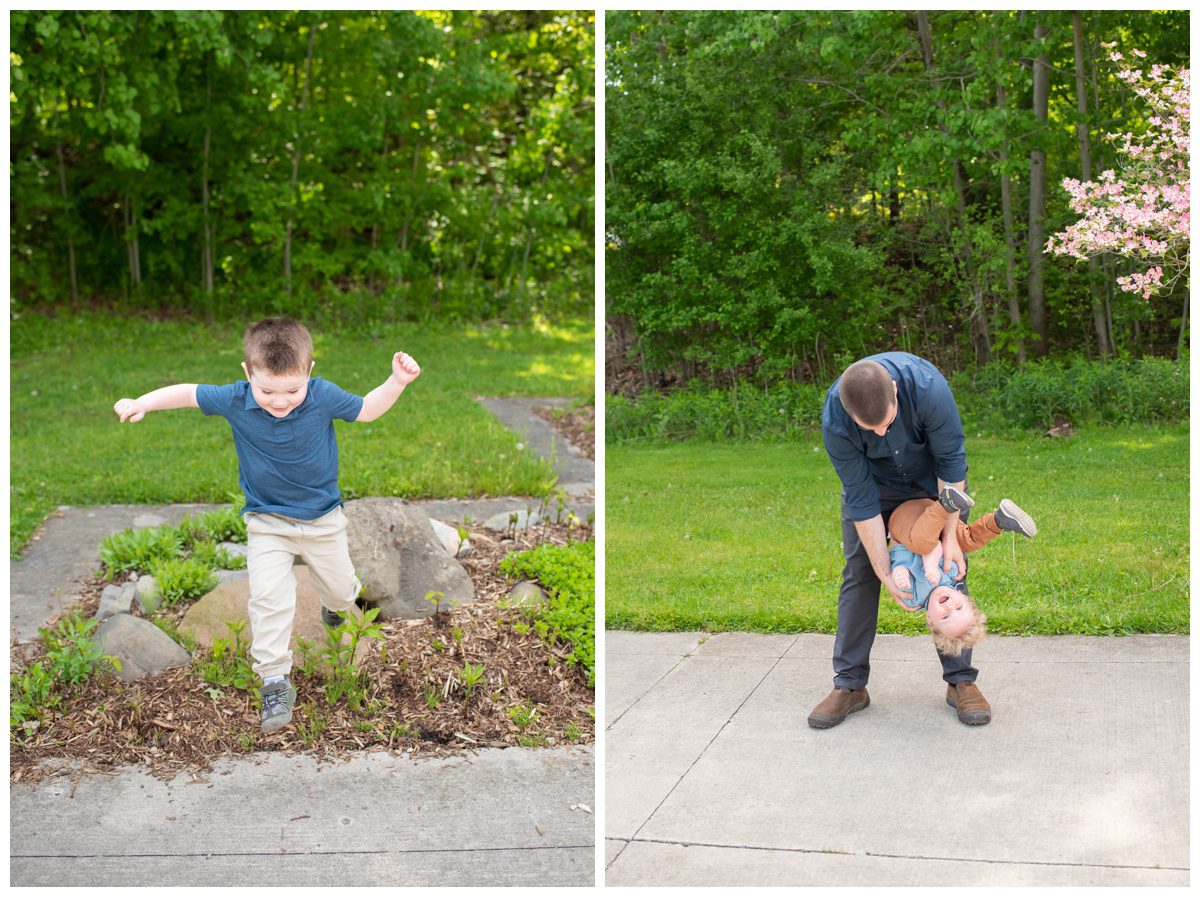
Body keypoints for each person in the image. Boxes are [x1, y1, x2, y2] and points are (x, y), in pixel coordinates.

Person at [113, 317, 421, 733]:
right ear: (247, 374)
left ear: (309, 373)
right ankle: (275, 679)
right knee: (269, 598)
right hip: (267, 522)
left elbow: (366, 410)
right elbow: (187, 392)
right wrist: (143, 402)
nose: (280, 401)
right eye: (267, 390)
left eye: (293, 390)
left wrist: (396, 382)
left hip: (323, 521)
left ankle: (334, 606)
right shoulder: (235, 399)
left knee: (340, 587)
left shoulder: (323, 395)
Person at [810, 352, 990, 728]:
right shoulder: (836, 417)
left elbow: (951, 465)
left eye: (886, 423)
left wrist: (951, 539)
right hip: (876, 488)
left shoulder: (928, 390)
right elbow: (860, 498)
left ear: (895, 391)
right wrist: (885, 571)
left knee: (949, 567)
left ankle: (960, 681)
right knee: (860, 572)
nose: (878, 433)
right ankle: (850, 685)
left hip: (936, 487)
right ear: (847, 410)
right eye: (868, 428)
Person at [888, 484, 1037, 656]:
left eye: (945, 617)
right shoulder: (951, 574)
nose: (950, 606)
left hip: (905, 518)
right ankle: (999, 520)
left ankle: (947, 503)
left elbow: (899, 559)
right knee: (967, 541)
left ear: (930, 620)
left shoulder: (913, 597)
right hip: (934, 513)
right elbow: (943, 543)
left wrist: (901, 574)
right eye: (959, 607)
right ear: (964, 597)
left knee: (924, 544)